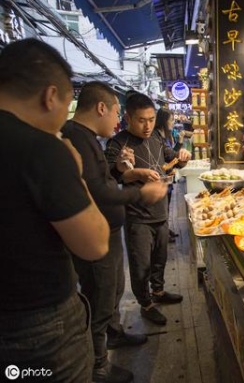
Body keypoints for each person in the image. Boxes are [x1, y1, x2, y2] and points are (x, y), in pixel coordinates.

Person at [0, 39, 109, 380]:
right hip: (38, 329)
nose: (65, 120)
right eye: (67, 106)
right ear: (50, 97)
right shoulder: (44, 148)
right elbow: (94, 245)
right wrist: (75, 171)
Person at [62, 82, 168, 383]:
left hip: (109, 230)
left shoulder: (87, 138)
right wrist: (139, 192)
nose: (117, 119)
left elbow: (104, 180)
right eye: (118, 113)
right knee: (100, 296)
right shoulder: (78, 139)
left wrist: (121, 170)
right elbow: (97, 190)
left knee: (112, 291)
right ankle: (99, 366)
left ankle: (115, 332)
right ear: (101, 108)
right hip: (97, 236)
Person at [105, 93, 191, 326]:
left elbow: (172, 159)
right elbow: (112, 175)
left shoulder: (155, 138)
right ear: (128, 118)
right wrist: (129, 171)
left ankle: (159, 291)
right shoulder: (117, 144)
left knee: (160, 258)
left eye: (151, 119)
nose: (148, 125)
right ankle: (146, 304)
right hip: (137, 217)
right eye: (142, 120)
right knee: (140, 263)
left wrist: (182, 157)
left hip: (161, 213)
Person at [155, 108, 184, 242]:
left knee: (166, 206)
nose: (173, 122)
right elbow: (168, 158)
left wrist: (179, 142)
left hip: (168, 177)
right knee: (162, 207)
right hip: (161, 178)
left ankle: (166, 230)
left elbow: (171, 154)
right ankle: (162, 234)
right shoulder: (157, 137)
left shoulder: (165, 135)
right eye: (171, 120)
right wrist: (174, 163)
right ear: (164, 121)